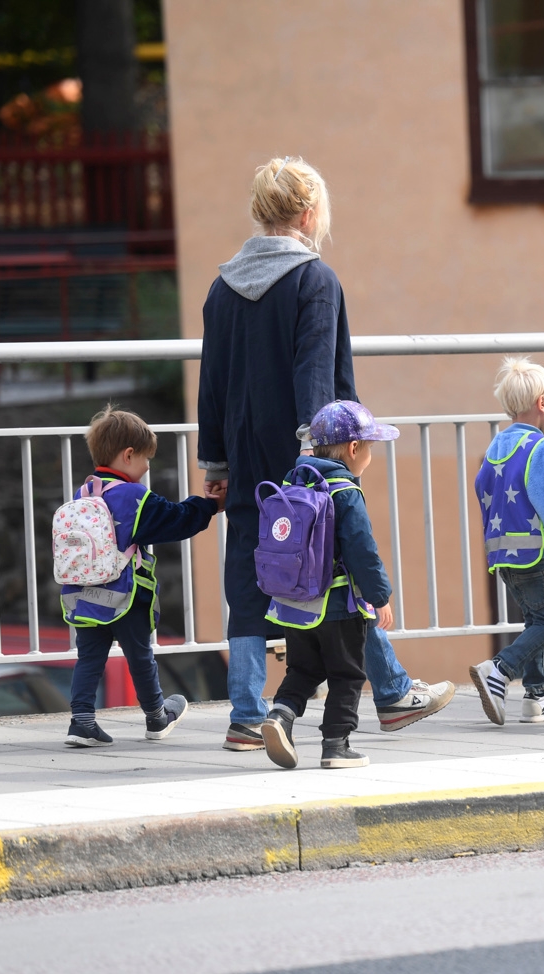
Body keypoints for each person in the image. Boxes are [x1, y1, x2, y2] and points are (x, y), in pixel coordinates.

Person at [198, 156, 451, 750]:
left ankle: (245, 715)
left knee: (248, 574)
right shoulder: (315, 281)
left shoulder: (221, 288)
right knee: (335, 572)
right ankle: (391, 693)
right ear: (310, 214)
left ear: (260, 212)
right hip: (304, 461)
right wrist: (322, 456)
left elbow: (212, 382)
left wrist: (216, 463)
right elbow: (318, 374)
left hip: (244, 460)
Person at [60, 406, 220, 747]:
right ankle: (156, 716)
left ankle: (82, 722)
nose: (148, 467)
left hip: (84, 595)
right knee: (140, 656)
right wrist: (209, 505)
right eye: (146, 458)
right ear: (129, 455)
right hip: (125, 596)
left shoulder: (83, 494)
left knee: (89, 658)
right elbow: (176, 519)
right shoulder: (132, 497)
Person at [260, 401, 402, 769]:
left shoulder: (293, 481)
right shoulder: (344, 491)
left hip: (294, 602)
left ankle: (280, 715)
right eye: (369, 447)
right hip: (338, 605)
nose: (370, 455)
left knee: (303, 670)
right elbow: (362, 550)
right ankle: (336, 745)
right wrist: (380, 596)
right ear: (354, 449)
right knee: (347, 674)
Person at [468, 358, 544, 725]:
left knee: (534, 620)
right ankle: (499, 670)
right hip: (540, 554)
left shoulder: (496, 447)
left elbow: (482, 490)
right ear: (542, 403)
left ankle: (538, 695)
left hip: (504, 555)